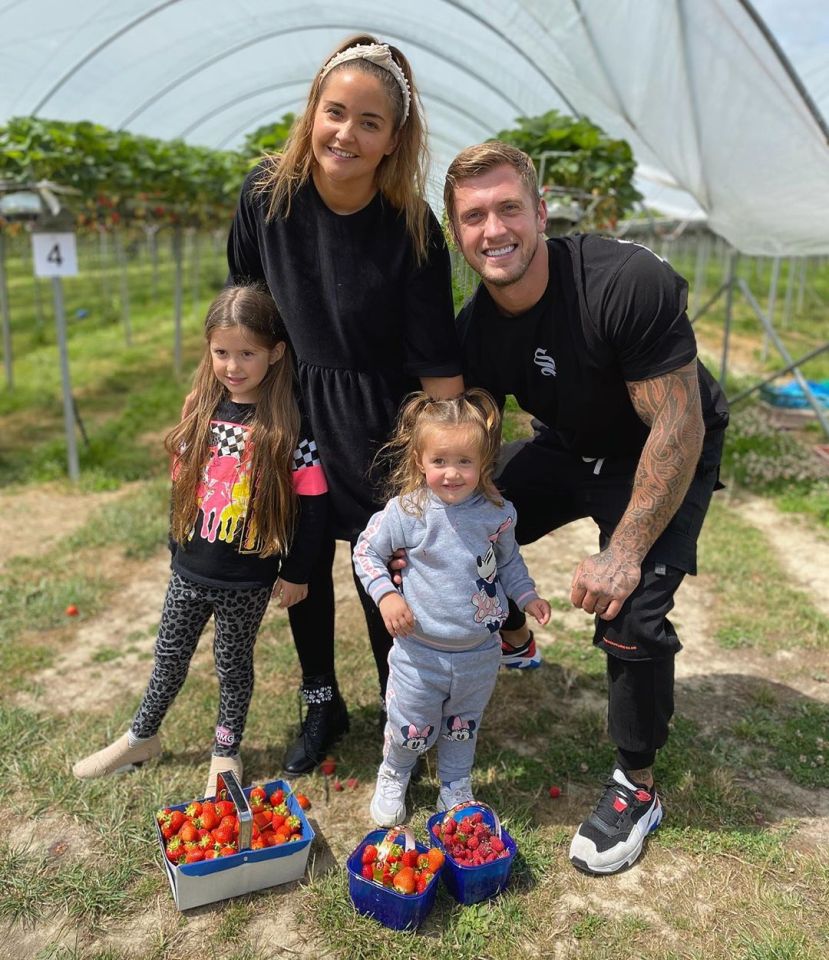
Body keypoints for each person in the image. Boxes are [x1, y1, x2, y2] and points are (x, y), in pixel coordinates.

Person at [442, 142, 729, 875]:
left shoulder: (619, 282)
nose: (493, 229)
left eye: (509, 208)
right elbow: (472, 436)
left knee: (628, 609)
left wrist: (623, 551)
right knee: (455, 530)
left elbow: (677, 424)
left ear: (540, 213)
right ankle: (513, 636)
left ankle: (637, 783)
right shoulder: (475, 326)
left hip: (664, 447)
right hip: (568, 447)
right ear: (456, 233)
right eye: (473, 216)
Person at [226, 35, 463, 774]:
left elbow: (436, 364)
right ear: (312, 112)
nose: (346, 134)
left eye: (369, 122)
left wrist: (454, 465)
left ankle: (405, 710)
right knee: (297, 566)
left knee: (381, 570)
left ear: (394, 138)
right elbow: (244, 309)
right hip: (292, 411)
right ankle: (321, 699)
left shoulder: (413, 228)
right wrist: (226, 418)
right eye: (336, 112)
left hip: (378, 422)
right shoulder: (266, 198)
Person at [72, 285, 328, 797]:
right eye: (222, 352)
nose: (233, 366)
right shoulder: (200, 411)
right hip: (190, 572)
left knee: (233, 667)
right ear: (208, 350)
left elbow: (314, 508)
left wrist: (298, 572)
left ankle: (225, 751)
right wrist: (175, 545)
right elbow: (181, 482)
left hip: (247, 580)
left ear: (276, 353)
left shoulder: (288, 425)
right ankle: (141, 737)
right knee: (168, 656)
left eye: (247, 353)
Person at [353, 389, 551, 825]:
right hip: (419, 652)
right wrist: (387, 595)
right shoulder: (406, 511)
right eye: (440, 461)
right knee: (411, 723)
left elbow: (510, 562)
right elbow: (365, 552)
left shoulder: (498, 513)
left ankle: (455, 785)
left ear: (484, 464)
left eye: (464, 461)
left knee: (463, 725)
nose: (452, 473)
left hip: (480, 651)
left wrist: (527, 596)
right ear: (420, 461)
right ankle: (395, 771)